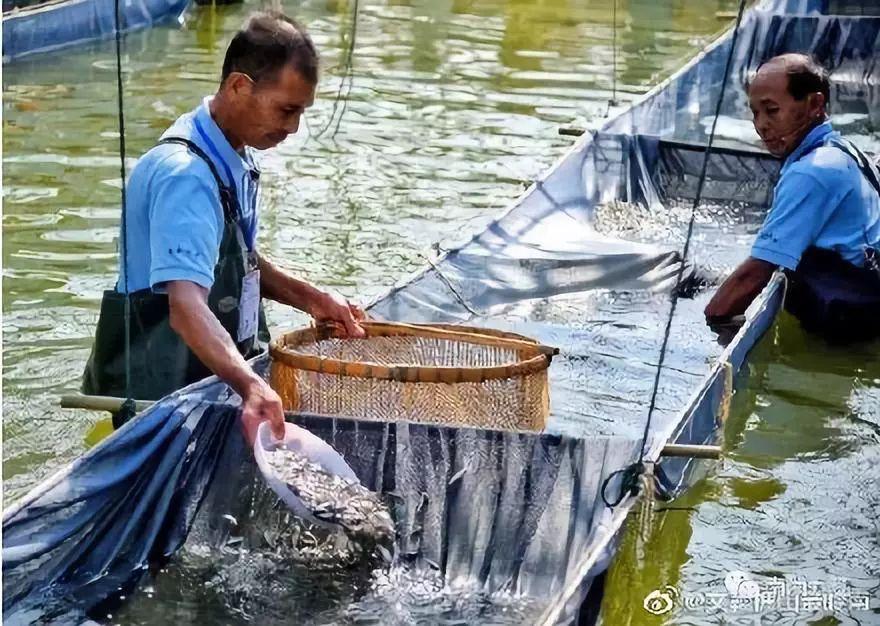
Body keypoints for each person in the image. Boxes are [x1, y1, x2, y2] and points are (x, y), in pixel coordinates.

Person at [82, 12, 365, 442]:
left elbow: (234, 259)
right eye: (286, 110)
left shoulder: (231, 151)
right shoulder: (187, 176)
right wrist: (251, 385)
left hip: (209, 377)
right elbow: (186, 307)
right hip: (160, 394)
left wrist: (312, 298)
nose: (293, 128)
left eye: (301, 112)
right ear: (238, 86)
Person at [704, 53, 880, 342]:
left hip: (852, 322)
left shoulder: (813, 172)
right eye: (754, 113)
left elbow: (755, 273)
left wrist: (713, 322)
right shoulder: (842, 148)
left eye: (772, 110)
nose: (761, 125)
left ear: (815, 104)